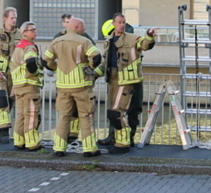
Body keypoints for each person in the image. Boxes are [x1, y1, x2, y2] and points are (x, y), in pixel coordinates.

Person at [43, 17, 102, 158]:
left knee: (63, 116)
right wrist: (89, 68)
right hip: (81, 84)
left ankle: (58, 148)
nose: (85, 29)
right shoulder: (84, 41)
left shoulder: (56, 41)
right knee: (86, 116)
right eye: (83, 26)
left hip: (63, 85)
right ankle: (89, 149)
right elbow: (97, 57)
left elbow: (45, 60)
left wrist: (56, 69)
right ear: (76, 27)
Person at [99, 13, 156, 153]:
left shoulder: (132, 38)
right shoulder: (109, 40)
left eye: (123, 22)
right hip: (113, 78)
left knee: (122, 111)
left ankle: (125, 141)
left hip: (128, 79)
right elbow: (105, 61)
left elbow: (145, 44)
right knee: (113, 110)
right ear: (113, 24)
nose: (122, 24)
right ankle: (116, 138)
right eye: (119, 22)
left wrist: (150, 36)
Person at [0, 7, 21, 143]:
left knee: (10, 101)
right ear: (5, 19)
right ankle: (3, 132)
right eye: (12, 17)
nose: (14, 20)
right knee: (2, 100)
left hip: (14, 74)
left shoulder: (20, 34)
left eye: (15, 18)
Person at [10, 22, 43, 152]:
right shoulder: (29, 47)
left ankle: (19, 141)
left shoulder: (18, 47)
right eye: (32, 30)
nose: (35, 32)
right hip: (29, 85)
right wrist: (35, 73)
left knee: (20, 115)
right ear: (24, 33)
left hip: (19, 86)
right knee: (31, 115)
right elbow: (31, 62)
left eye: (35, 29)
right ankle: (32, 143)